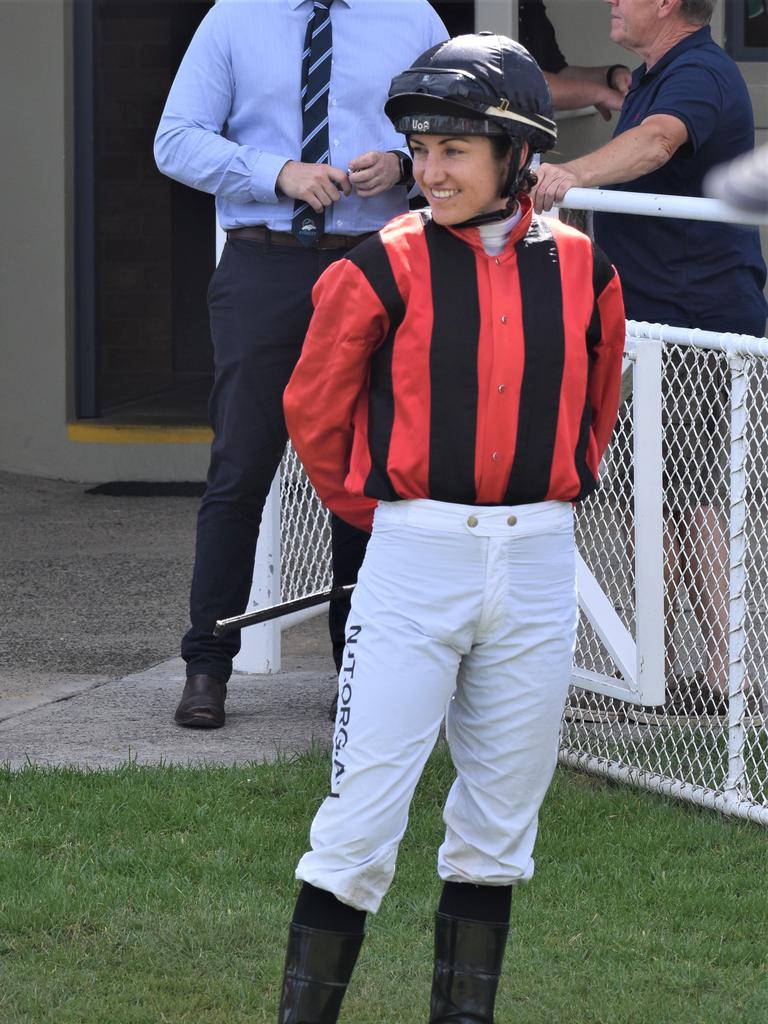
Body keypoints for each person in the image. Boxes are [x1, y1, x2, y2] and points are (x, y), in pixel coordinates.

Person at [276, 33, 626, 1021]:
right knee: (358, 830)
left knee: (498, 835)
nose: (428, 170)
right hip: (414, 559)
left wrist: (553, 494)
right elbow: (314, 411)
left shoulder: (588, 270)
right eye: (421, 150)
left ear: (519, 157)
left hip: (540, 563)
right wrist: (390, 512)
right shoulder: (378, 267)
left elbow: (598, 404)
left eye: (453, 152)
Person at [153, 0, 447, 729]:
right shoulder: (233, 17)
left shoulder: (410, 17)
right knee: (240, 465)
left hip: (376, 265)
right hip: (265, 264)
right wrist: (275, 171)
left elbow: (465, 126)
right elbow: (174, 141)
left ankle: (359, 669)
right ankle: (207, 664)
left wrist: (407, 165)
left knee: (368, 469)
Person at [531, 0, 768, 713]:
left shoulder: (698, 71)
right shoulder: (654, 72)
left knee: (692, 502)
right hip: (651, 323)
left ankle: (727, 686)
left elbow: (659, 143)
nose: (612, 3)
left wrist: (571, 174)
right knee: (661, 502)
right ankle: (665, 678)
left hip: (696, 323)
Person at [520, 0, 632, 118]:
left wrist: (611, 75)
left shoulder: (530, 7)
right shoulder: (501, 10)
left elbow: (558, 74)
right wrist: (599, 94)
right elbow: (515, 81)